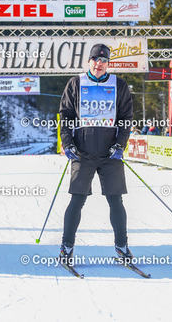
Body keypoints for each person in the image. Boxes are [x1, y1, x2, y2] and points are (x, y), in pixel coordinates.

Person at [59, 43, 134, 265]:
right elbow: (66, 115)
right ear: (89, 62)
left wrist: (120, 144)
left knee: (115, 200)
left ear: (108, 64)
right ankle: (66, 247)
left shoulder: (119, 85)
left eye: (103, 61)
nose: (99, 64)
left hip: (110, 153)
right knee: (77, 199)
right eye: (95, 60)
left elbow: (126, 118)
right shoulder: (75, 83)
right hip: (82, 152)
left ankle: (122, 247)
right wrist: (67, 143)